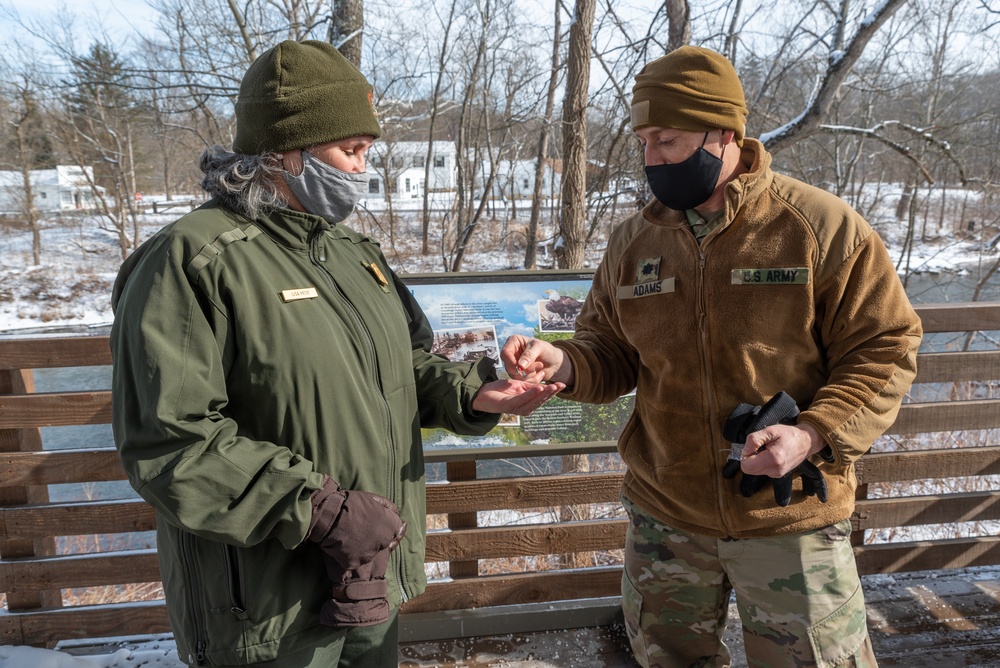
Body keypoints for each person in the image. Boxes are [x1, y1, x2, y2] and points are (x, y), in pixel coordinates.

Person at [110, 40, 563, 668]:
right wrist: (319, 509)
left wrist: (473, 393)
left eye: (367, 152)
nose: (362, 170)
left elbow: (405, 364)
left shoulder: (353, 255)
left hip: (369, 583)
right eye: (350, 151)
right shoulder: (194, 259)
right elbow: (170, 443)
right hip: (268, 609)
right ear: (284, 153)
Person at [501, 45, 922, 667]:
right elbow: (609, 351)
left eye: (668, 141)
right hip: (665, 518)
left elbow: (884, 348)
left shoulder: (817, 227)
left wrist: (811, 434)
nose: (651, 158)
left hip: (789, 519)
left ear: (724, 133)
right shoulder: (634, 241)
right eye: (644, 140)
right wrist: (560, 362)